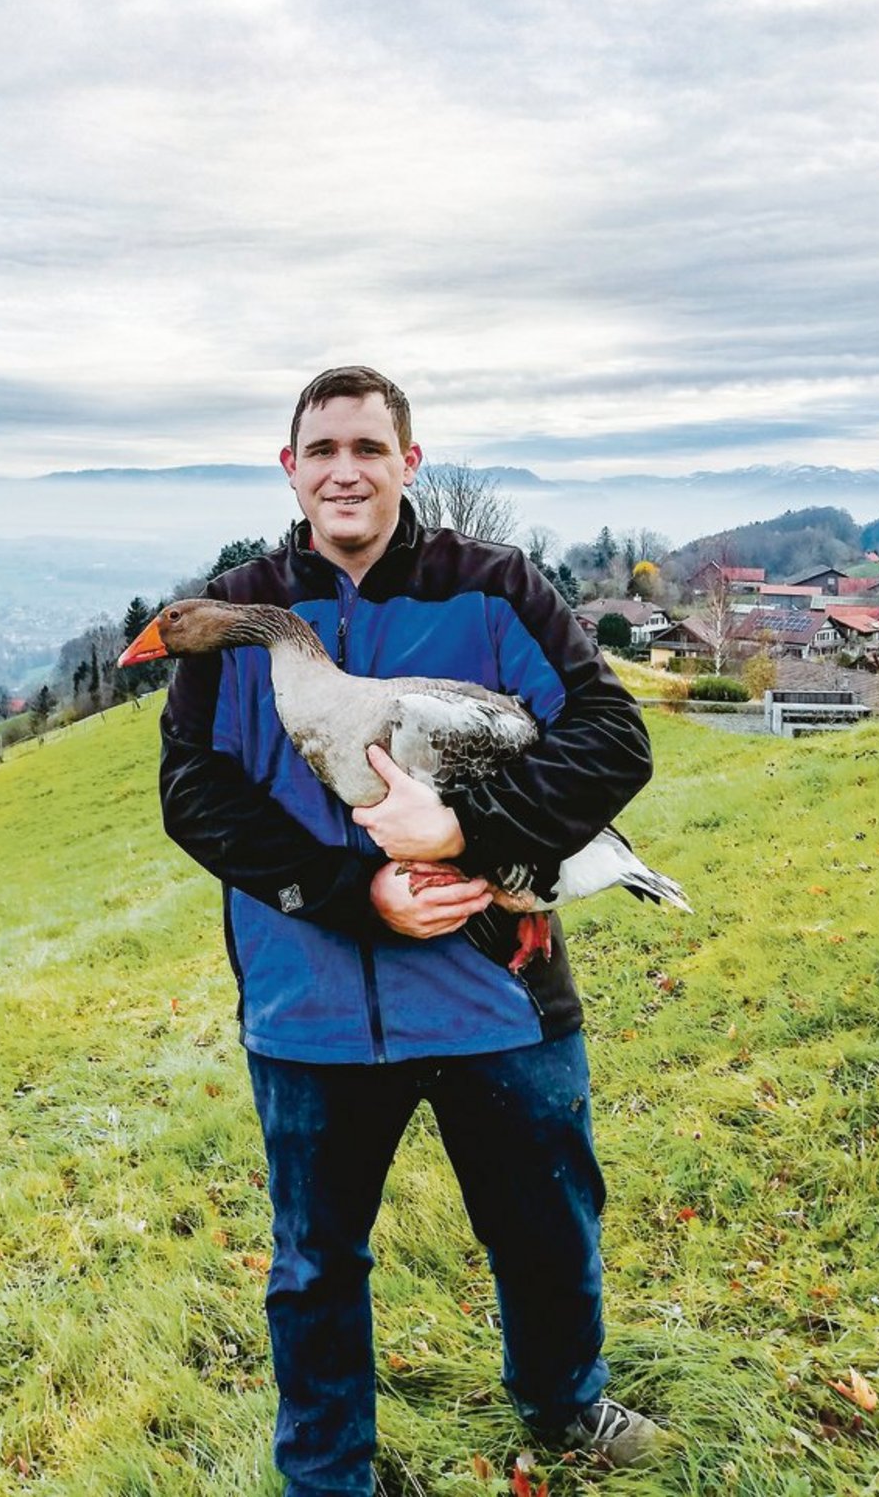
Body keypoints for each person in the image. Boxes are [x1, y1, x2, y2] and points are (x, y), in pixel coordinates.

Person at [158, 365, 662, 1494]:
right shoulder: (231, 611)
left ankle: (561, 1400)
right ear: (289, 469)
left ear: (407, 464)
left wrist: (460, 834)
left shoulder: (493, 589)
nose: (345, 469)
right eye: (321, 449)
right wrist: (357, 893)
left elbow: (611, 742)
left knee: (543, 1222)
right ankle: (327, 1471)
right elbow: (193, 794)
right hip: (312, 999)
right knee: (315, 1263)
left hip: (495, 996)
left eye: (368, 449)